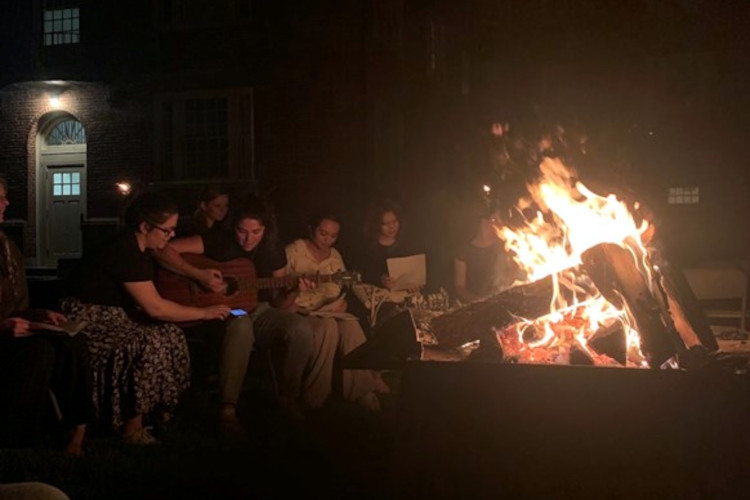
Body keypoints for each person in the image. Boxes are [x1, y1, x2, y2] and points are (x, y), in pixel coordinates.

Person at [61, 191, 230, 445]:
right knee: (148, 340)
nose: (172, 235)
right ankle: (131, 425)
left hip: (115, 313)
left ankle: (161, 412)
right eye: (166, 230)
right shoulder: (126, 249)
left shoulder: (142, 249)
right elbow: (155, 308)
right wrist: (204, 313)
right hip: (88, 316)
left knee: (170, 334)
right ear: (144, 227)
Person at [154, 195, 314, 434]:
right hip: (224, 310)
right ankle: (227, 408)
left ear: (265, 229)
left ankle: (288, 397)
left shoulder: (273, 251)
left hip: (258, 309)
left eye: (256, 232)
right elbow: (162, 249)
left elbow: (280, 304)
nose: (248, 239)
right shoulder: (219, 240)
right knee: (240, 324)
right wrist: (199, 275)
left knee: (300, 328)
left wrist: (293, 292)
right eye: (242, 231)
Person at [0, 177, 93, 456]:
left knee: (73, 341)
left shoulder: (7, 247)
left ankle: (77, 427)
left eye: (4, 196)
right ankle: (15, 440)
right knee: (40, 352)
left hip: (14, 328)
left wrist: (40, 314)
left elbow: (14, 304)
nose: (6, 203)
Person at [285, 212, 385, 410]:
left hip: (328, 310)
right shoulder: (294, 251)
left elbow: (340, 287)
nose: (327, 239)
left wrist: (341, 304)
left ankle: (361, 390)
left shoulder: (335, 256)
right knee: (328, 327)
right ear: (312, 230)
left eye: (333, 236)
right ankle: (316, 395)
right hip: (300, 311)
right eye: (323, 233)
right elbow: (281, 289)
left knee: (352, 325)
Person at [454, 202, 517, 303]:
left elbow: (514, 276)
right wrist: (479, 302)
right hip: (474, 307)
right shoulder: (465, 251)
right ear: (483, 221)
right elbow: (460, 287)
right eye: (493, 220)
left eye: (499, 221)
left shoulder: (505, 247)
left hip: (501, 304)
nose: (498, 225)